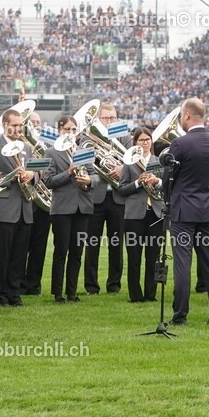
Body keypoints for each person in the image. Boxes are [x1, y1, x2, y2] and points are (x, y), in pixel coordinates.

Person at [161, 98, 209, 326]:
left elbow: (168, 179)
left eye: (181, 115)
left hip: (183, 211)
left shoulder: (180, 144)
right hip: (207, 209)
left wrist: (169, 197)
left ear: (187, 115)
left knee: (182, 264)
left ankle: (180, 315)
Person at [0, 108, 35, 307]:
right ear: (5, 125)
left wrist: (32, 175)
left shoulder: (26, 147)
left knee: (19, 255)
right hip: (5, 209)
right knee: (3, 256)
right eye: (14, 125)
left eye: (20, 125)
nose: (17, 129)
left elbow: (36, 172)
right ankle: (0, 295)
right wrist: (10, 178)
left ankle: (14, 294)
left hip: (25, 208)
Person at [45, 116, 98, 303]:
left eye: (73, 129)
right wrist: (68, 173)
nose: (70, 133)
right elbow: (48, 181)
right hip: (62, 208)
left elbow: (95, 176)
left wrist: (90, 181)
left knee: (77, 251)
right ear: (59, 131)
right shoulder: (51, 152)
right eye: (67, 129)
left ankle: (72, 292)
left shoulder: (84, 151)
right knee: (61, 251)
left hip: (82, 206)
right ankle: (58, 293)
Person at [83, 104, 126, 296]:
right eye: (106, 118)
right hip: (96, 196)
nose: (110, 121)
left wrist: (123, 169)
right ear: (98, 119)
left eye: (113, 118)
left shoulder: (124, 137)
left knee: (116, 244)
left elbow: (134, 160)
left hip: (118, 196)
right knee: (92, 243)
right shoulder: (87, 138)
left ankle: (114, 285)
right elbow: (82, 163)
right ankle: (91, 286)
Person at [117, 127, 164, 303]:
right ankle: (135, 295)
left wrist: (156, 181)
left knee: (153, 256)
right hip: (134, 216)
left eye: (147, 139)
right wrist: (137, 182)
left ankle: (151, 294)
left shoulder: (158, 161)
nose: (145, 143)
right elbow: (122, 190)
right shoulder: (128, 163)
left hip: (156, 213)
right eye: (141, 140)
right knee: (134, 257)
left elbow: (166, 185)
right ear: (135, 142)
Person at [23, 110, 52, 295]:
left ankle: (33, 285)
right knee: (21, 246)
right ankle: (17, 283)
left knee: (39, 246)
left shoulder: (46, 146)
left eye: (38, 122)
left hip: (42, 202)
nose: (36, 125)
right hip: (24, 201)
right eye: (32, 122)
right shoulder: (19, 146)